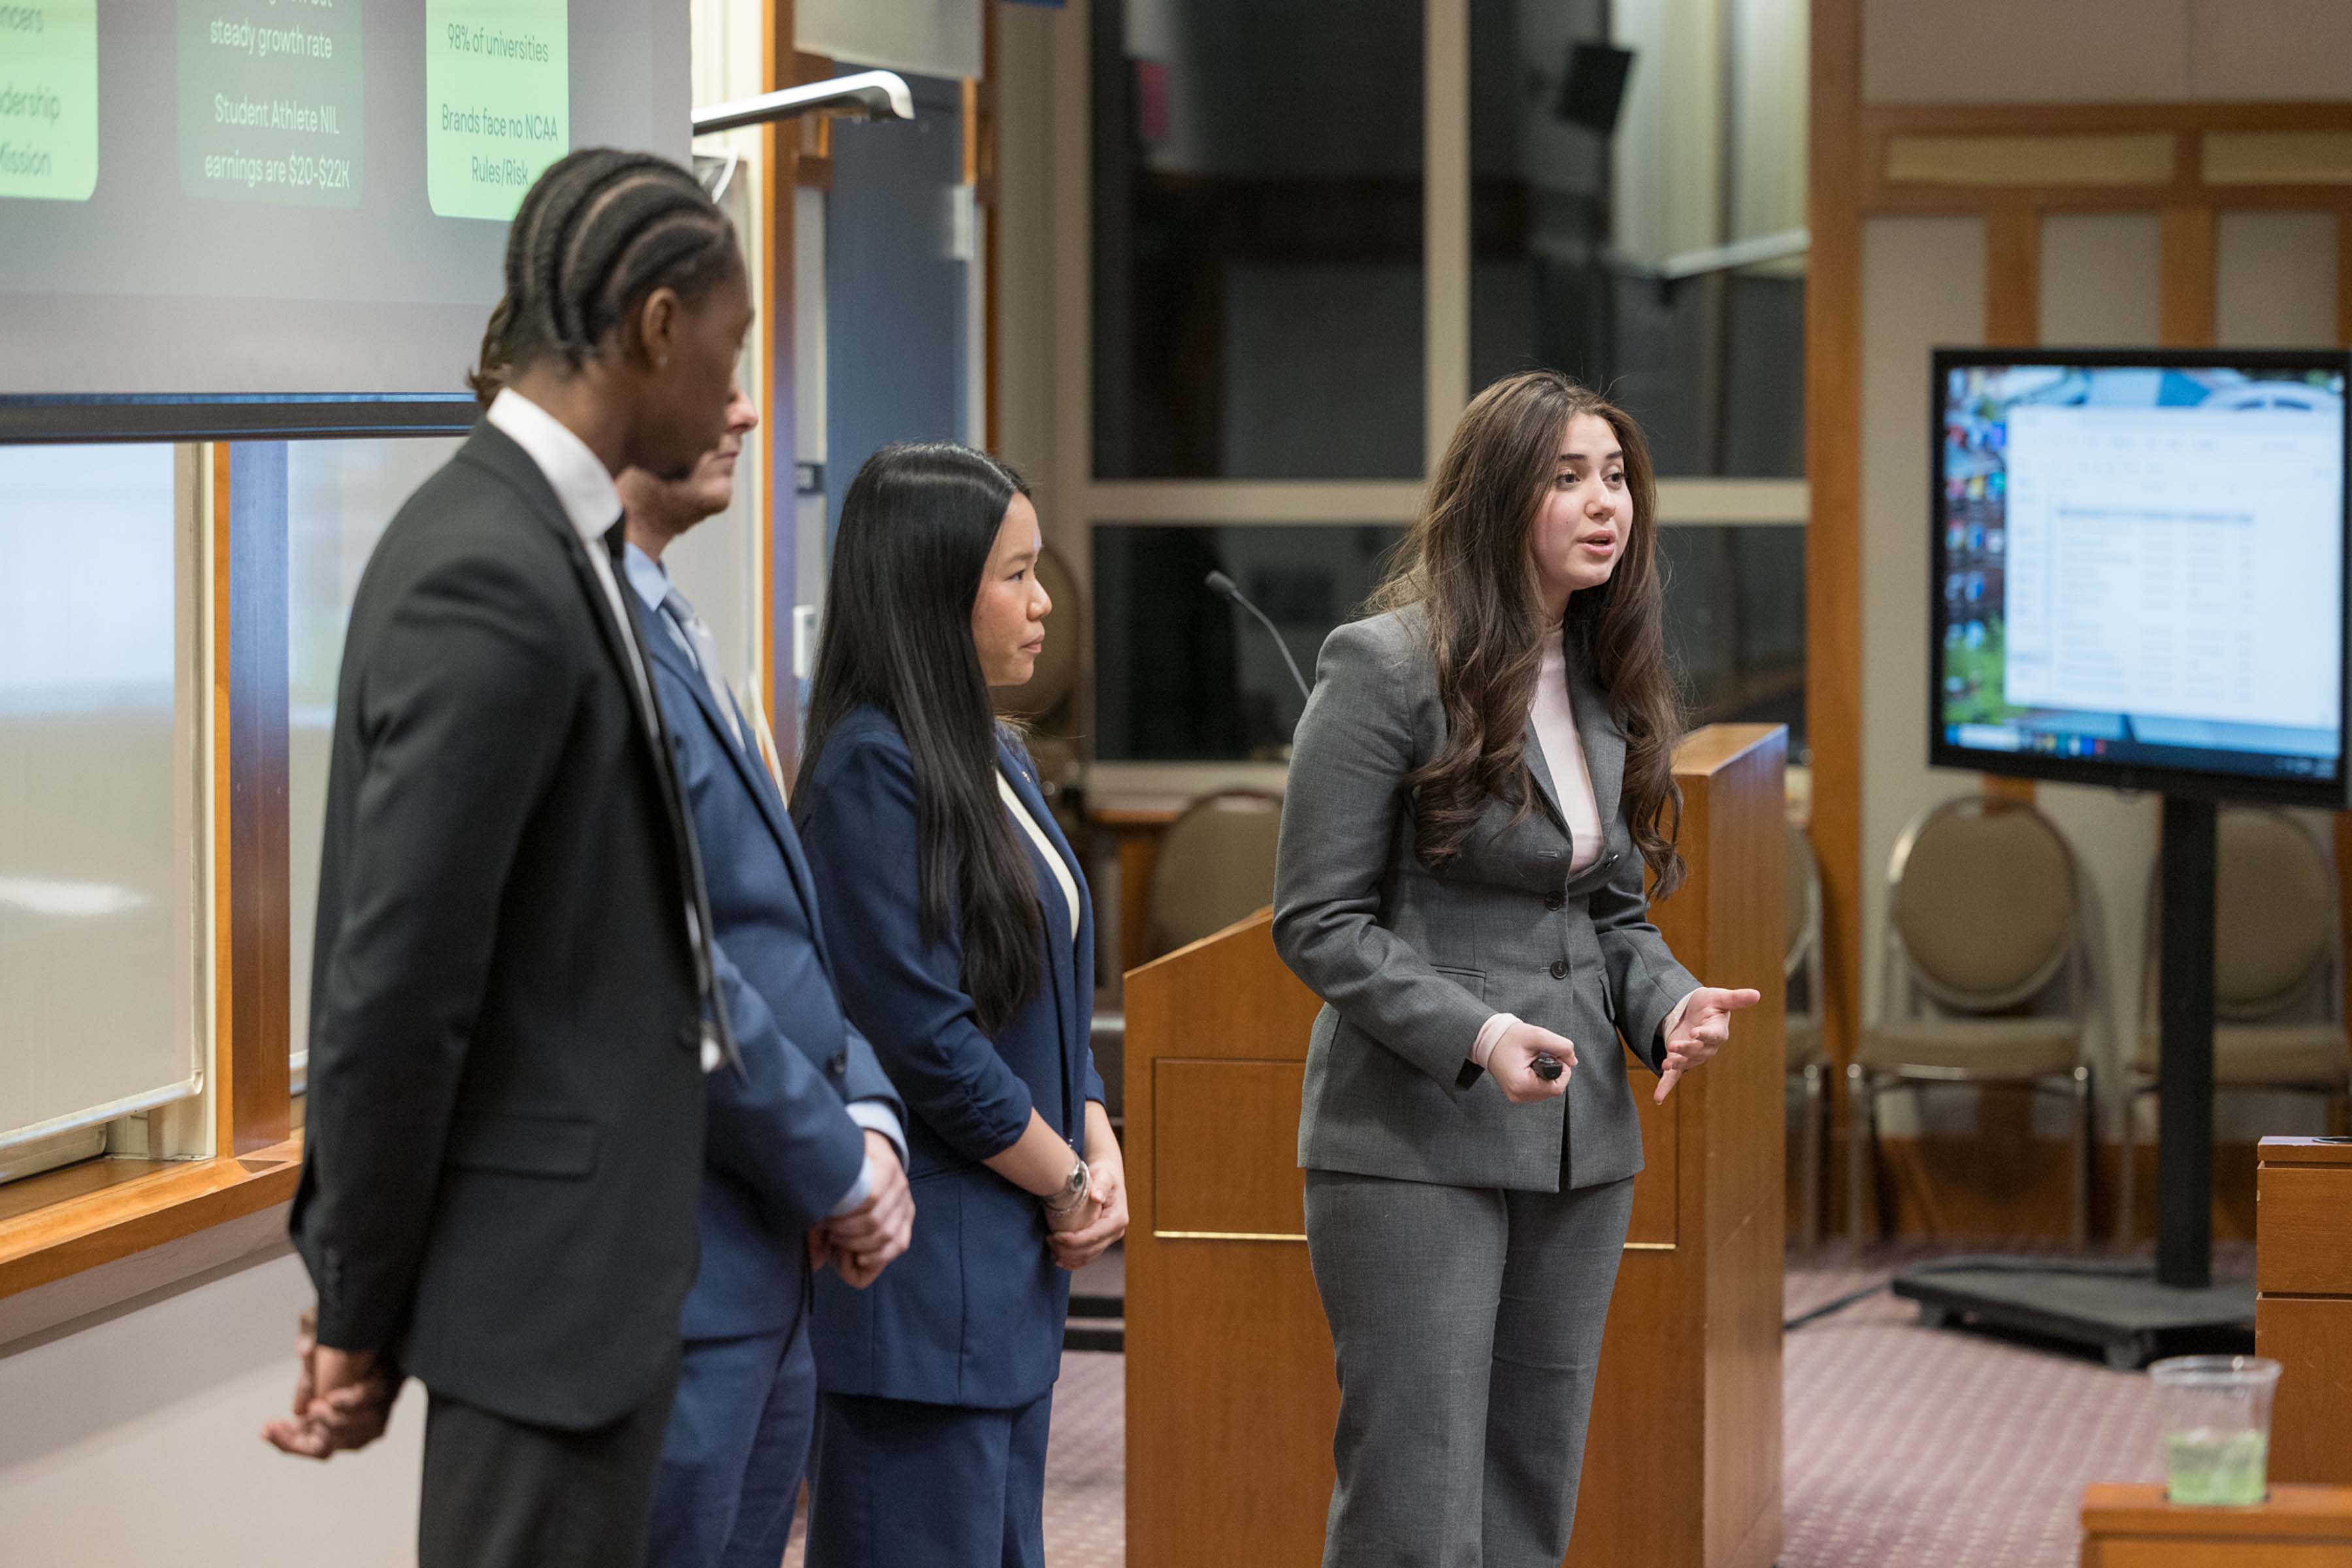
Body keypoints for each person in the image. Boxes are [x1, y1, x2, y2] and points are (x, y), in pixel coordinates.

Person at [263, 148, 758, 1568]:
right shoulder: (492, 565)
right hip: (540, 1313)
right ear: (654, 326)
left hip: (580, 1301)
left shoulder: (550, 538)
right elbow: (398, 983)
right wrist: (359, 1306)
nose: (735, 392)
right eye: (723, 345)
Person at [1272, 370, 1762, 1567]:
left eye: (1616, 478)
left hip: (1579, 1140)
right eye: (1567, 478)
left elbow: (1607, 912)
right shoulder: (1383, 665)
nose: (1607, 505)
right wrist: (1479, 1033)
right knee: (1417, 1502)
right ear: (1499, 498)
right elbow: (1317, 920)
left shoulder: (1600, 674)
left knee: (1530, 1493)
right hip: (1415, 1140)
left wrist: (1669, 1006)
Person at [791, 442, 1128, 1568]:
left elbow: (1047, 977)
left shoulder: (988, 748)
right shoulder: (868, 771)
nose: (1043, 605)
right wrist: (1071, 1178)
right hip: (926, 1286)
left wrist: (1092, 1119)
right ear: (936, 594)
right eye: (1016, 576)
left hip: (1009, 1269)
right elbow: (925, 1038)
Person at [611, 385, 919, 1567]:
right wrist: (840, 1161)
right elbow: (658, 964)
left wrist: (872, 1115)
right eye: (710, 365)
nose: (745, 408)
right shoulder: (585, 633)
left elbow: (780, 945)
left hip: (767, 1281)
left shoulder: (678, 620)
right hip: (671, 1279)